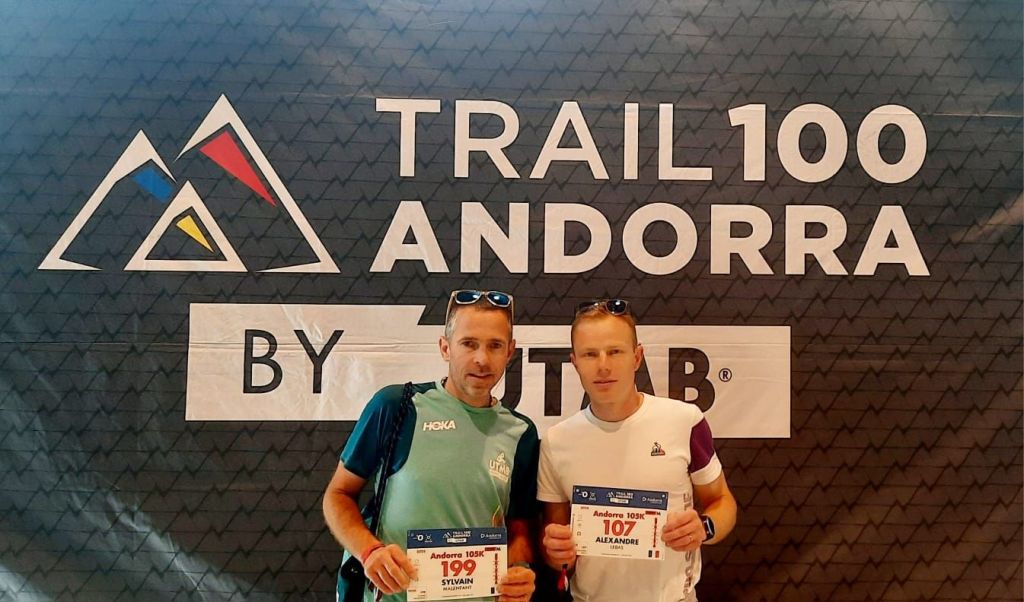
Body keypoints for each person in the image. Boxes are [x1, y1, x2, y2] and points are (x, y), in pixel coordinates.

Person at [324, 290, 539, 602]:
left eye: (494, 345)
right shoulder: (397, 406)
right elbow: (338, 494)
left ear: (510, 352)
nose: (481, 359)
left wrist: (519, 570)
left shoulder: (521, 432)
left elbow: (519, 527)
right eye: (469, 344)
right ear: (445, 347)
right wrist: (369, 551)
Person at [537, 299, 738, 602]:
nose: (603, 365)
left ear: (637, 357)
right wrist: (555, 553)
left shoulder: (684, 421)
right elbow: (558, 548)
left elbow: (722, 501)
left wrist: (704, 527)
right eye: (590, 354)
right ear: (574, 362)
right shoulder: (556, 441)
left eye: (615, 351)